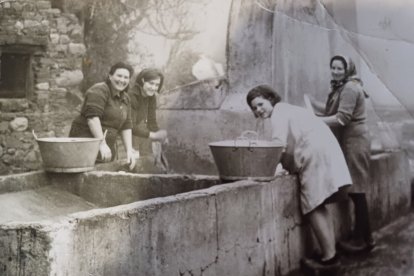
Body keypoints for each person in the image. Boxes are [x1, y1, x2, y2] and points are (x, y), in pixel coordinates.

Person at [246, 85, 352, 269]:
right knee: (319, 204)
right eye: (254, 108)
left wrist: (266, 169)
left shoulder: (279, 112)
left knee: (311, 206)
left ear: (271, 99)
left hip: (315, 153)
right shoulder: (288, 109)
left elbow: (279, 144)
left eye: (260, 104)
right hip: (323, 149)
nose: (258, 110)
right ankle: (331, 253)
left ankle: (330, 259)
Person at [309, 55, 375, 253]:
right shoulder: (342, 87)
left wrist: (315, 121)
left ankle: (363, 240)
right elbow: (333, 111)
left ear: (348, 69)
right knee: (356, 190)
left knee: (357, 190)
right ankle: (365, 238)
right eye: (333, 68)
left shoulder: (349, 88)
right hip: (349, 140)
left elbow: (341, 119)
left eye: (340, 68)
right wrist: (312, 104)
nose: (336, 71)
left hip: (355, 141)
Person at [69, 62, 136, 170]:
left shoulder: (125, 98)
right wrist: (101, 144)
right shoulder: (99, 90)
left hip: (106, 147)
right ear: (110, 76)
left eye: (126, 77)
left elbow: (126, 126)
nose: (122, 80)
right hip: (86, 144)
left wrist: (129, 150)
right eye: (119, 76)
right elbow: (92, 118)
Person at [129, 68, 168, 170]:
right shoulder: (132, 95)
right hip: (121, 135)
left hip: (133, 134)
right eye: (151, 83)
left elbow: (151, 121)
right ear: (142, 80)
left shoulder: (151, 97)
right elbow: (130, 125)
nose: (154, 88)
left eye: (156, 85)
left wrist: (160, 136)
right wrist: (154, 135)